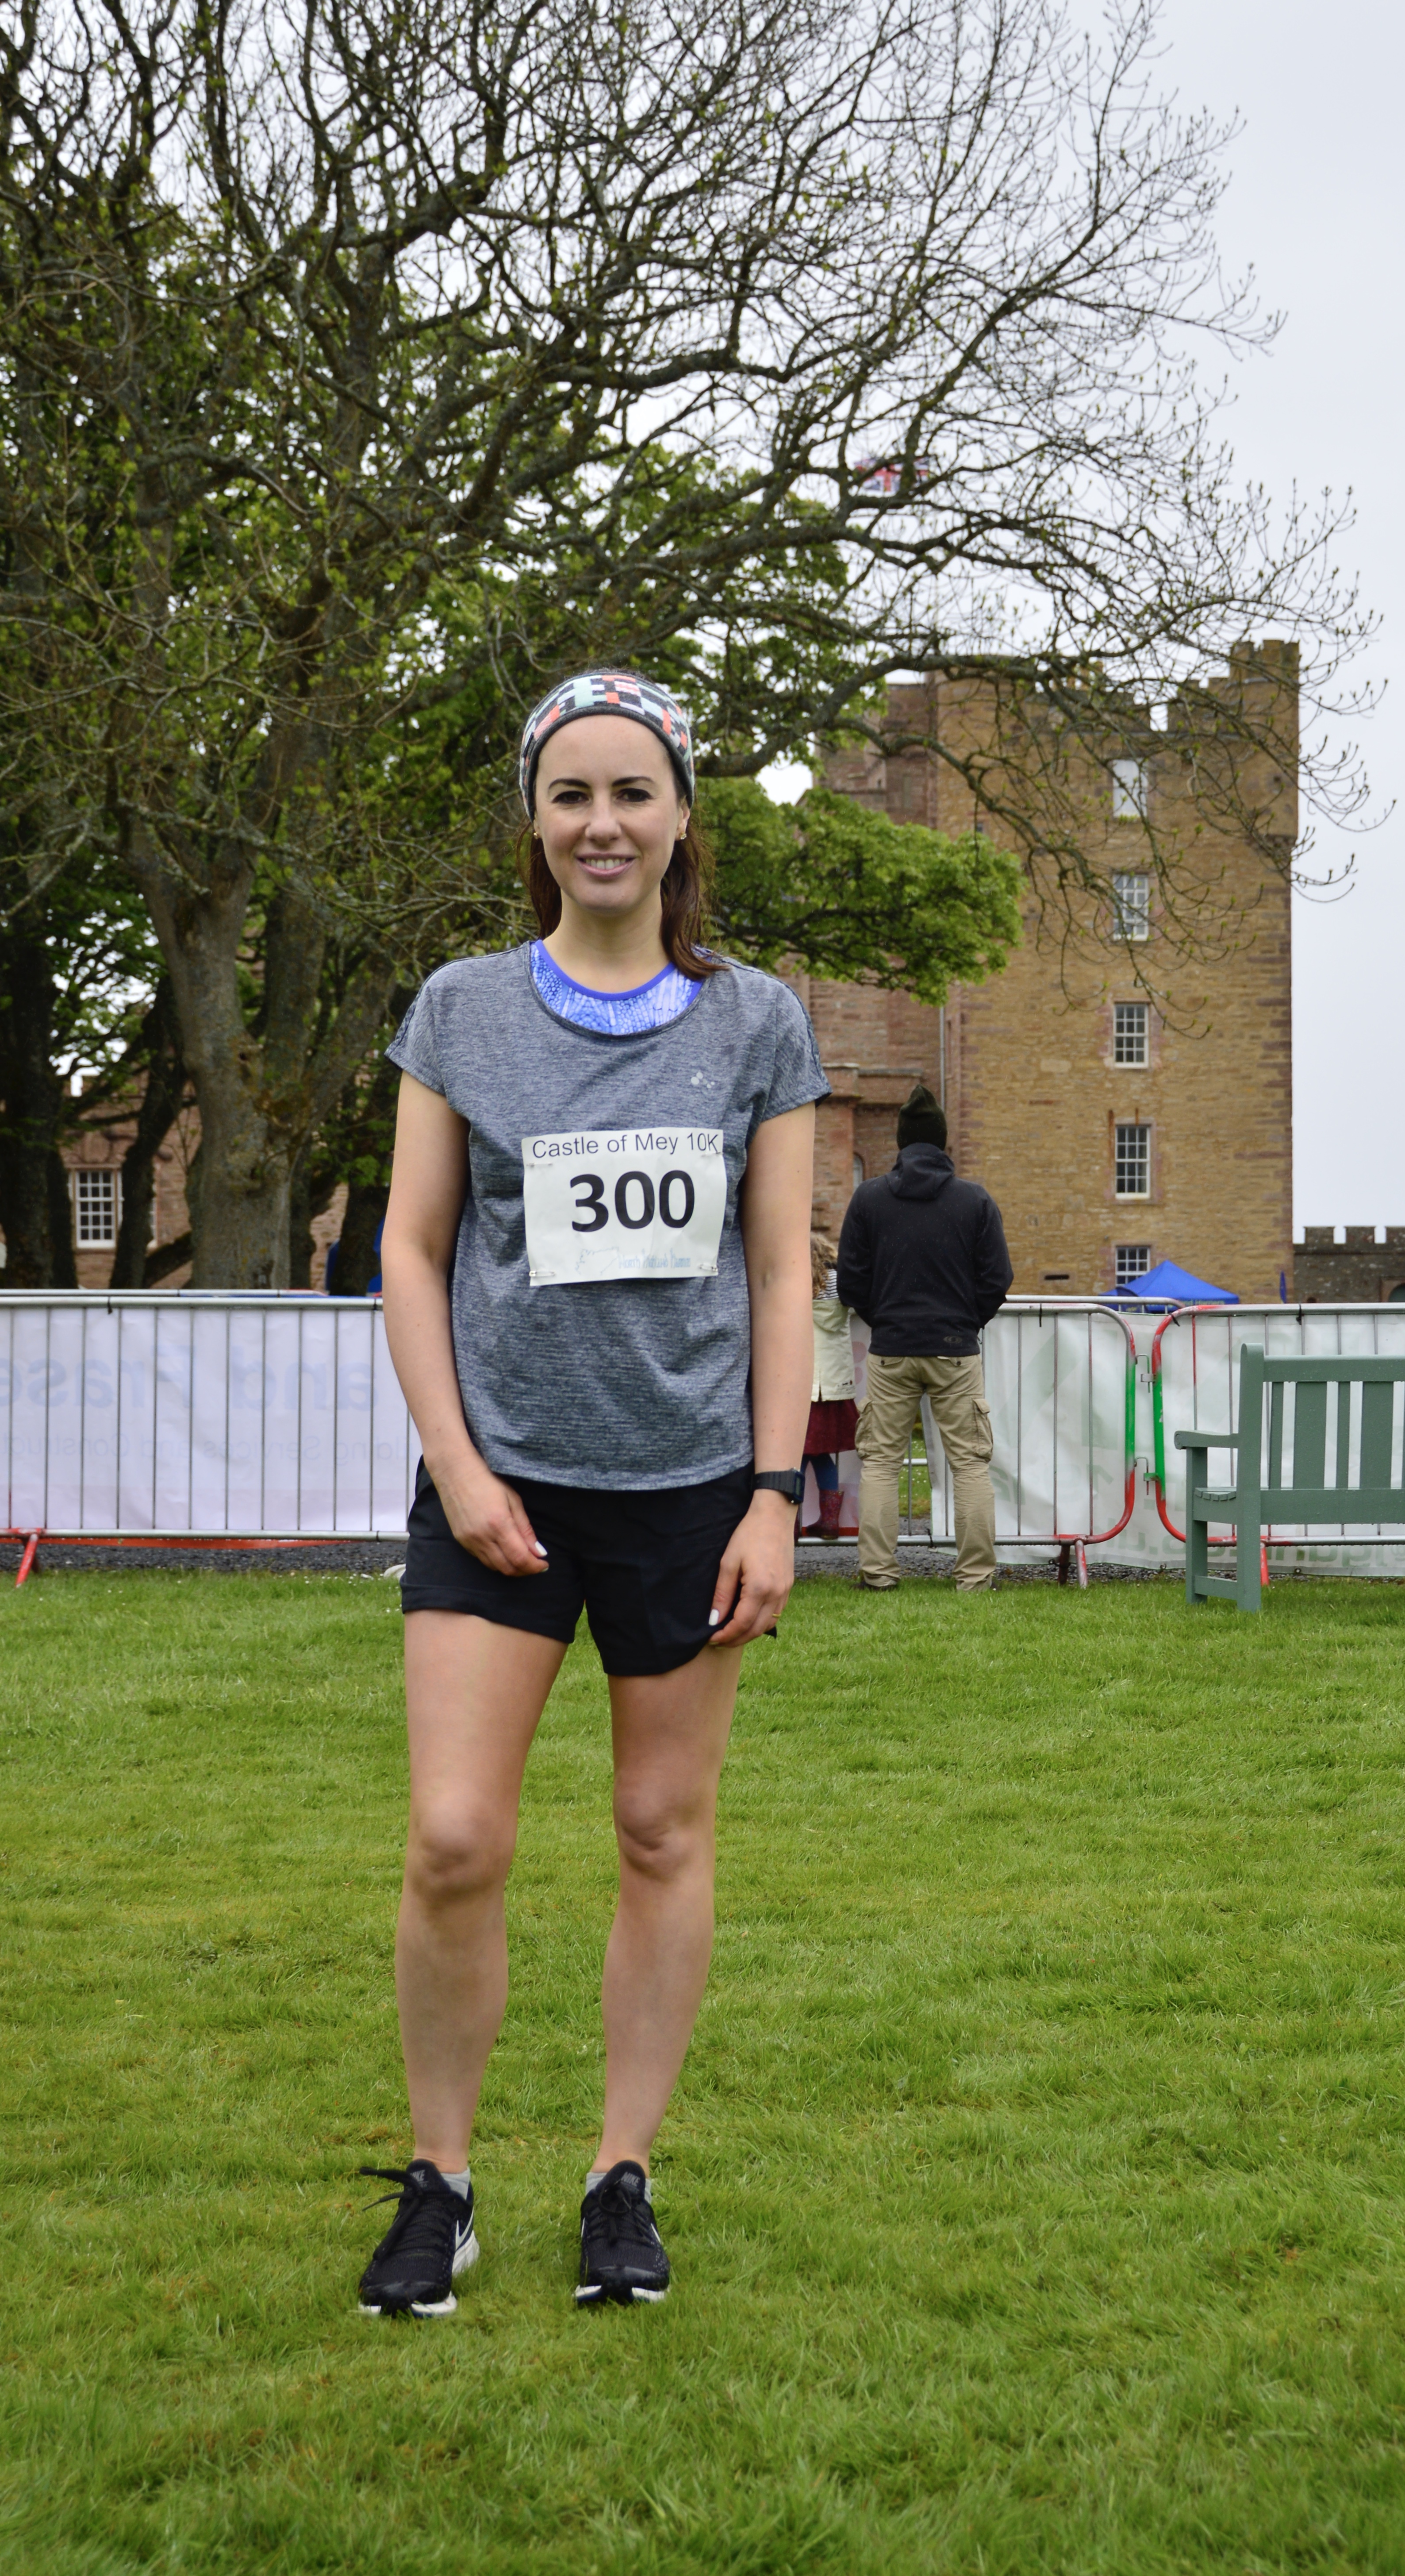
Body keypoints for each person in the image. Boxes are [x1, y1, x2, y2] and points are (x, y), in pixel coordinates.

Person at [358, 669, 825, 2319]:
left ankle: (619, 2176)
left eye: (633, 793)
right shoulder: (461, 1010)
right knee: (454, 1837)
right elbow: (408, 1254)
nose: (603, 823)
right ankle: (442, 2181)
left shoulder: (757, 1021)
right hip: (498, 1494)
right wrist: (463, 1467)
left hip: (689, 1491)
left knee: (657, 1830)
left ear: (682, 814)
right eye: (572, 794)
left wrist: (773, 1493)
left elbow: (780, 1274)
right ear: (534, 818)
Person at [837, 1082, 1012, 1593]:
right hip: (955, 1350)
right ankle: (976, 1578)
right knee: (970, 1464)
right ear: (942, 1142)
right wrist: (963, 1321)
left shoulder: (868, 1199)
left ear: (900, 1141)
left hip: (891, 1349)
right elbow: (997, 1279)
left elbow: (850, 1283)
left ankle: (878, 1574)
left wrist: (886, 1320)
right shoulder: (974, 1201)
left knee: (881, 1463)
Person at [802, 1232, 858, 1539]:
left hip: (804, 1384)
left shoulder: (797, 1285)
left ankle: (789, 1525)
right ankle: (830, 1522)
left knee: (795, 1456)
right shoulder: (841, 1284)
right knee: (823, 1455)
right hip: (835, 1382)